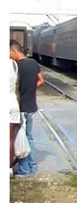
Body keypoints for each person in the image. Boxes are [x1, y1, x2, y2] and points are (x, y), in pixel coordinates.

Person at [10, 40, 43, 177]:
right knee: (29, 137)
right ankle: (33, 166)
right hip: (31, 105)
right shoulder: (33, 63)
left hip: (20, 106)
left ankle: (24, 170)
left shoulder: (15, 66)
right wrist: (30, 90)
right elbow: (41, 80)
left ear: (15, 51)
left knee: (19, 138)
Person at [9, 58, 21, 176]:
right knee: (10, 139)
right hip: (12, 104)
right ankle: (9, 169)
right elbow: (17, 87)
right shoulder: (13, 64)